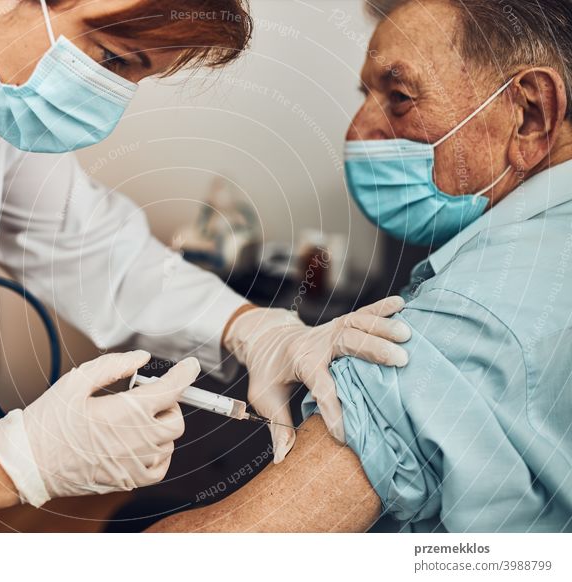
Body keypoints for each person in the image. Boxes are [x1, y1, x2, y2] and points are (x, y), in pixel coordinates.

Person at [0, 0, 410, 532]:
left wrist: (251, 328)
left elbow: (90, 244)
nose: (108, 106)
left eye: (136, 76)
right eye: (110, 59)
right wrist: (15, 464)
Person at [149, 0, 572, 533]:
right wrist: (253, 329)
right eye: (366, 97)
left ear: (530, 114)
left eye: (398, 97)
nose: (359, 130)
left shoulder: (476, 316)